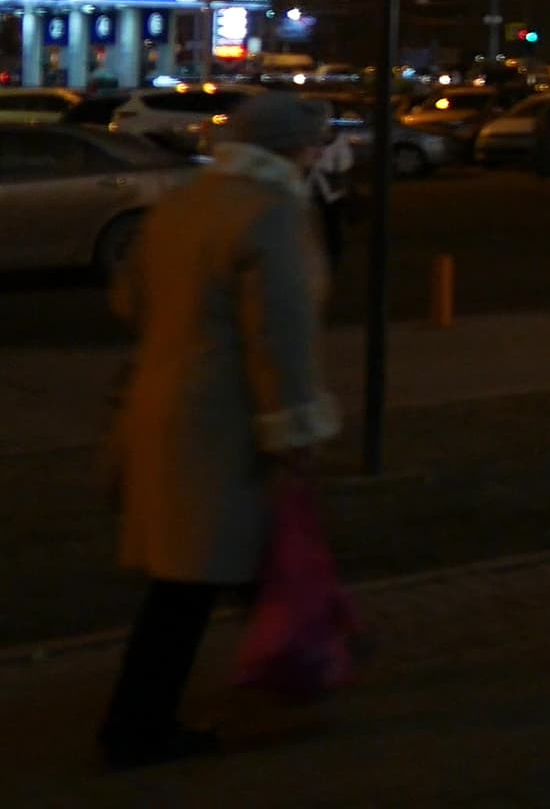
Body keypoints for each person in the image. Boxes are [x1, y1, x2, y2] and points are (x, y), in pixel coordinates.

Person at [102, 91, 340, 769]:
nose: (317, 155)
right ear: (289, 149)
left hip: (165, 403)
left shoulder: (183, 204)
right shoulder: (271, 212)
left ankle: (306, 653)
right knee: (189, 583)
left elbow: (131, 300)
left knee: (217, 562)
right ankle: (137, 728)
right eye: (312, 143)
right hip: (225, 420)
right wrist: (294, 427)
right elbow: (280, 336)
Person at [306, 114, 355, 271]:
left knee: (332, 227)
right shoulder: (312, 141)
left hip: (331, 193)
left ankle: (333, 259)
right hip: (315, 191)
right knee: (319, 227)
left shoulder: (337, 142)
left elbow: (344, 167)